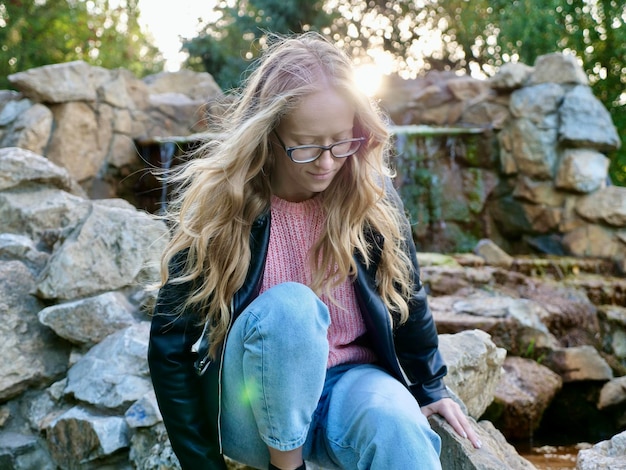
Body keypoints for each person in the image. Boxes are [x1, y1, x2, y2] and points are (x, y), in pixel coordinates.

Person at [147, 31, 481, 470]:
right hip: (254, 411)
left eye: (341, 141)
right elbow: (169, 347)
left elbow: (408, 295)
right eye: (306, 145)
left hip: (350, 387)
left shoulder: (370, 195)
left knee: (400, 429)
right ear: (268, 134)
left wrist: (430, 387)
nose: (326, 162)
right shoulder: (222, 205)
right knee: (293, 309)